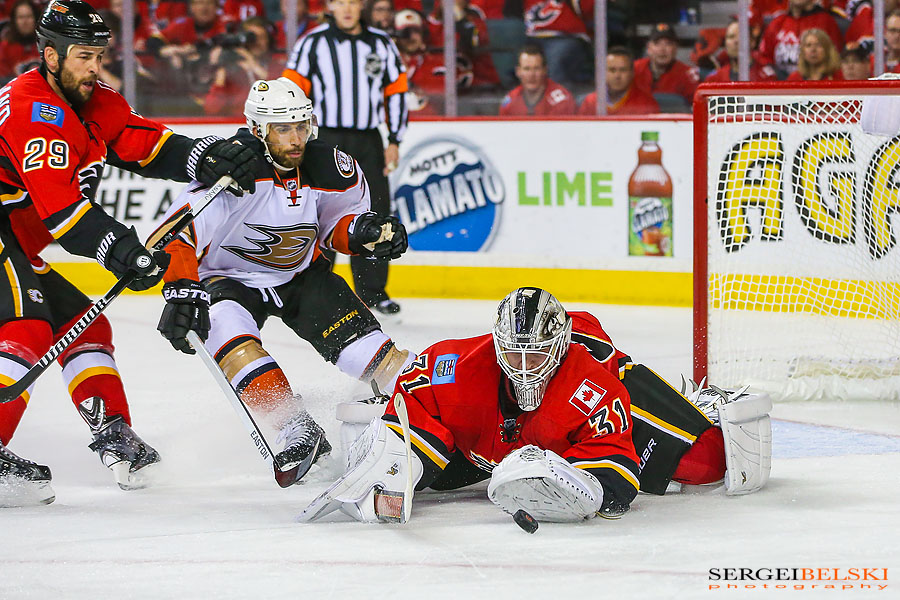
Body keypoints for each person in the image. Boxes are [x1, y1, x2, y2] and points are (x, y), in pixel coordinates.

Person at [0, 0, 257, 506]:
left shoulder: (91, 98)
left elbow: (143, 144)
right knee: (27, 326)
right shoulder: (36, 110)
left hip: (16, 238)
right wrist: (119, 249)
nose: (95, 67)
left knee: (86, 328)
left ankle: (114, 433)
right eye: (82, 56)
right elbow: (62, 211)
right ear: (50, 56)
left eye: (98, 54)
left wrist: (208, 156)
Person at [302, 287, 773, 523]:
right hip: (497, 442)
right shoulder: (457, 364)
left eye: (536, 353)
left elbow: (616, 486)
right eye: (514, 352)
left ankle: (695, 404)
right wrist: (394, 448)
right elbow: (412, 388)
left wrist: (576, 483)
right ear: (496, 343)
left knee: (706, 463)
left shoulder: (594, 385)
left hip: (600, 379)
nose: (525, 366)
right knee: (427, 468)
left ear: (559, 345)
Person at [156, 77, 414, 486]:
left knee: (375, 358)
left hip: (301, 276)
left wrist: (366, 233)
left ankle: (431, 403)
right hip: (229, 279)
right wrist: (182, 291)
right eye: (282, 129)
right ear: (258, 130)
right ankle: (292, 425)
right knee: (226, 331)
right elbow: (175, 235)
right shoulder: (231, 171)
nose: (296, 139)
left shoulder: (330, 164)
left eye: (301, 126)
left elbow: (335, 226)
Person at [282, 0, 409, 317]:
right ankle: (317, 287)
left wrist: (394, 139)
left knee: (375, 208)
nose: (347, 8)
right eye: (340, 2)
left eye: (352, 1)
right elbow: (290, 91)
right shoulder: (313, 43)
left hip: (368, 139)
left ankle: (374, 292)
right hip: (326, 140)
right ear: (330, 6)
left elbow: (396, 91)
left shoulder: (381, 43)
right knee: (321, 210)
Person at [203, 17, 283, 117]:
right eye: (252, 37)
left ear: (269, 41)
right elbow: (212, 109)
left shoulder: (277, 66)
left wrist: (254, 66)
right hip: (237, 125)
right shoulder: (232, 69)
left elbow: (282, 98)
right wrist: (220, 71)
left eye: (261, 37)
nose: (256, 42)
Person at [757, 0, 842, 79]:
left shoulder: (826, 22)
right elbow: (764, 59)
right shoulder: (777, 23)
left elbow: (834, 60)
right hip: (780, 87)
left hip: (815, 85)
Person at [578, 47, 660, 116]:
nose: (617, 76)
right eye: (612, 70)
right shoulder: (590, 102)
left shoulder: (647, 104)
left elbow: (651, 135)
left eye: (623, 70)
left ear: (632, 73)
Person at [633, 23, 699, 109]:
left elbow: (698, 106)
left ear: (675, 48)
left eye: (668, 44)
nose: (662, 49)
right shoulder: (635, 68)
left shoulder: (689, 74)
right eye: (657, 44)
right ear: (648, 48)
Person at [498, 44, 576, 117]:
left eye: (536, 68)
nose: (531, 74)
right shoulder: (510, 101)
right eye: (526, 69)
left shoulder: (561, 100)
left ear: (545, 70)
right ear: (518, 71)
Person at [703, 20, 777, 83]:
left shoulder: (766, 77)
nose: (736, 41)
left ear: (752, 42)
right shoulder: (714, 79)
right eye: (731, 37)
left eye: (741, 37)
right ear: (725, 43)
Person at [0, 0, 40, 84]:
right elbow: (3, 80)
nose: (25, 21)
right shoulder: (5, 47)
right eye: (21, 17)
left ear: (35, 18)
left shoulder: (45, 44)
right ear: (14, 20)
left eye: (29, 16)